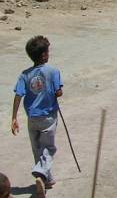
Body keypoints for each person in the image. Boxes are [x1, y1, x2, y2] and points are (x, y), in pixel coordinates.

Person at [12, 36, 63, 196]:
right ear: (44, 55)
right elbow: (59, 92)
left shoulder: (24, 75)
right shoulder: (53, 71)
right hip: (48, 117)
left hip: (32, 118)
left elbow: (18, 95)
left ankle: (46, 179)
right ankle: (41, 175)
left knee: (37, 150)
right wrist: (56, 91)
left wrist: (14, 118)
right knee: (48, 148)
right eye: (47, 51)